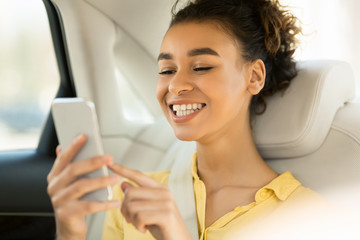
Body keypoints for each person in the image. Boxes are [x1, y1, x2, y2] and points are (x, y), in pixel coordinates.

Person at [47, 0, 328, 239]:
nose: (175, 86)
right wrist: (69, 230)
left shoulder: (308, 216)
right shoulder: (133, 196)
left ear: (254, 77)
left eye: (201, 66)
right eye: (166, 70)